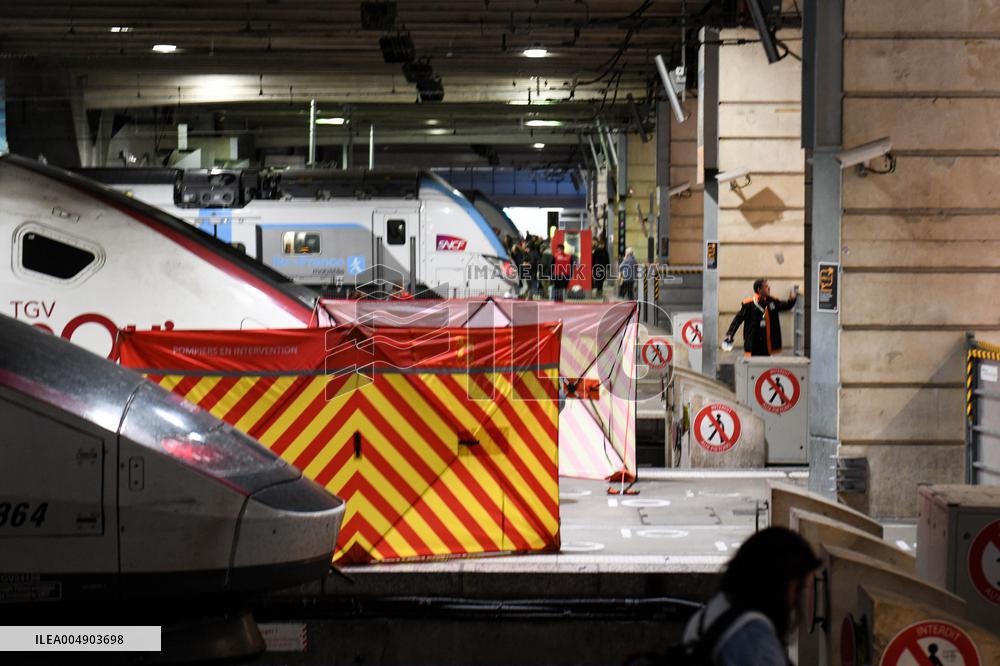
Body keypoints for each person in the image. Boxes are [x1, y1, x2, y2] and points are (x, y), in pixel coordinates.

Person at [681, 527, 820, 666]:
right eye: (798, 588)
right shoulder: (751, 634)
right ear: (777, 583)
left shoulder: (713, 613)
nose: (795, 603)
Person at [724, 279, 797, 356]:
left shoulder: (772, 301)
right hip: (753, 346)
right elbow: (737, 320)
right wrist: (730, 334)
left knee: (765, 367)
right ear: (759, 289)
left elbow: (787, 306)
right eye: (766, 286)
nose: (769, 288)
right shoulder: (749, 304)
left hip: (766, 346)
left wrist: (793, 296)